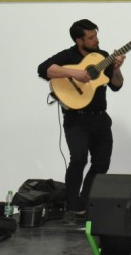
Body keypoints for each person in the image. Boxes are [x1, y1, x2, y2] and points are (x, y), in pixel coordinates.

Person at [37, 19, 125, 223]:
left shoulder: (102, 57)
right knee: (78, 159)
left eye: (96, 35)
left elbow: (117, 85)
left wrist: (117, 68)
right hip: (76, 119)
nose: (96, 40)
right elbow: (43, 69)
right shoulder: (68, 55)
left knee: (102, 163)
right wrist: (75, 72)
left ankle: (85, 202)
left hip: (100, 118)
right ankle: (72, 205)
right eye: (91, 37)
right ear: (79, 40)